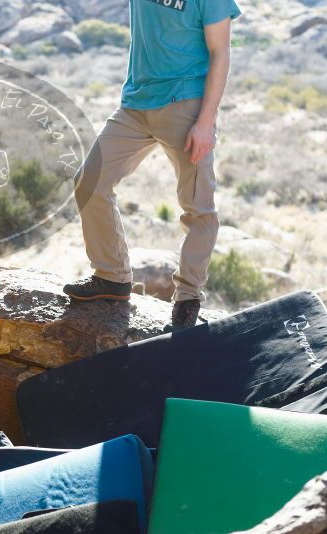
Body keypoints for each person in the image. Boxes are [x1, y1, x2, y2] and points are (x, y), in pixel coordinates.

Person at [64, 0, 242, 331]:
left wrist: (206, 121)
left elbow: (221, 54)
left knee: (198, 207)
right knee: (89, 182)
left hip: (185, 103)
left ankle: (188, 299)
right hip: (135, 105)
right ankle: (112, 278)